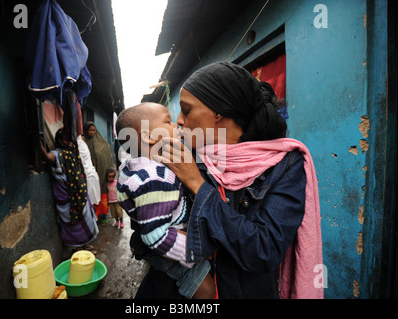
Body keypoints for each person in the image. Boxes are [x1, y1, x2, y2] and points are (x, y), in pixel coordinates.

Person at [140, 61, 324, 299]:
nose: (179, 120)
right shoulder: (186, 154)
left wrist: (197, 183)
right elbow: (145, 227)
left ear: (219, 112)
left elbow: (263, 250)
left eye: (186, 110)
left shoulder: (284, 166)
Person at [116, 103, 215, 299]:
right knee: (206, 290)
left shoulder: (133, 166)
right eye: (168, 121)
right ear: (149, 137)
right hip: (173, 250)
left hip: (168, 243)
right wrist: (196, 250)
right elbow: (155, 236)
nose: (177, 124)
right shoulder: (155, 178)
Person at [40, 128, 99, 254]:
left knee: (85, 220)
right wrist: (37, 143)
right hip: (67, 197)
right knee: (74, 224)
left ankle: (85, 245)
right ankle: (79, 249)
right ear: (60, 140)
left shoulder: (73, 151)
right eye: (66, 140)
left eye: (70, 140)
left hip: (80, 194)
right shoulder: (57, 154)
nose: (70, 142)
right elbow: (46, 157)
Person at [83, 121, 112, 226]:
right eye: (90, 130)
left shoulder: (102, 143)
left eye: (94, 130)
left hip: (101, 174)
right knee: (91, 195)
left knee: (103, 195)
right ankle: (91, 219)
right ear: (86, 131)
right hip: (89, 175)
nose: (92, 132)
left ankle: (102, 218)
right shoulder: (83, 142)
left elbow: (106, 151)